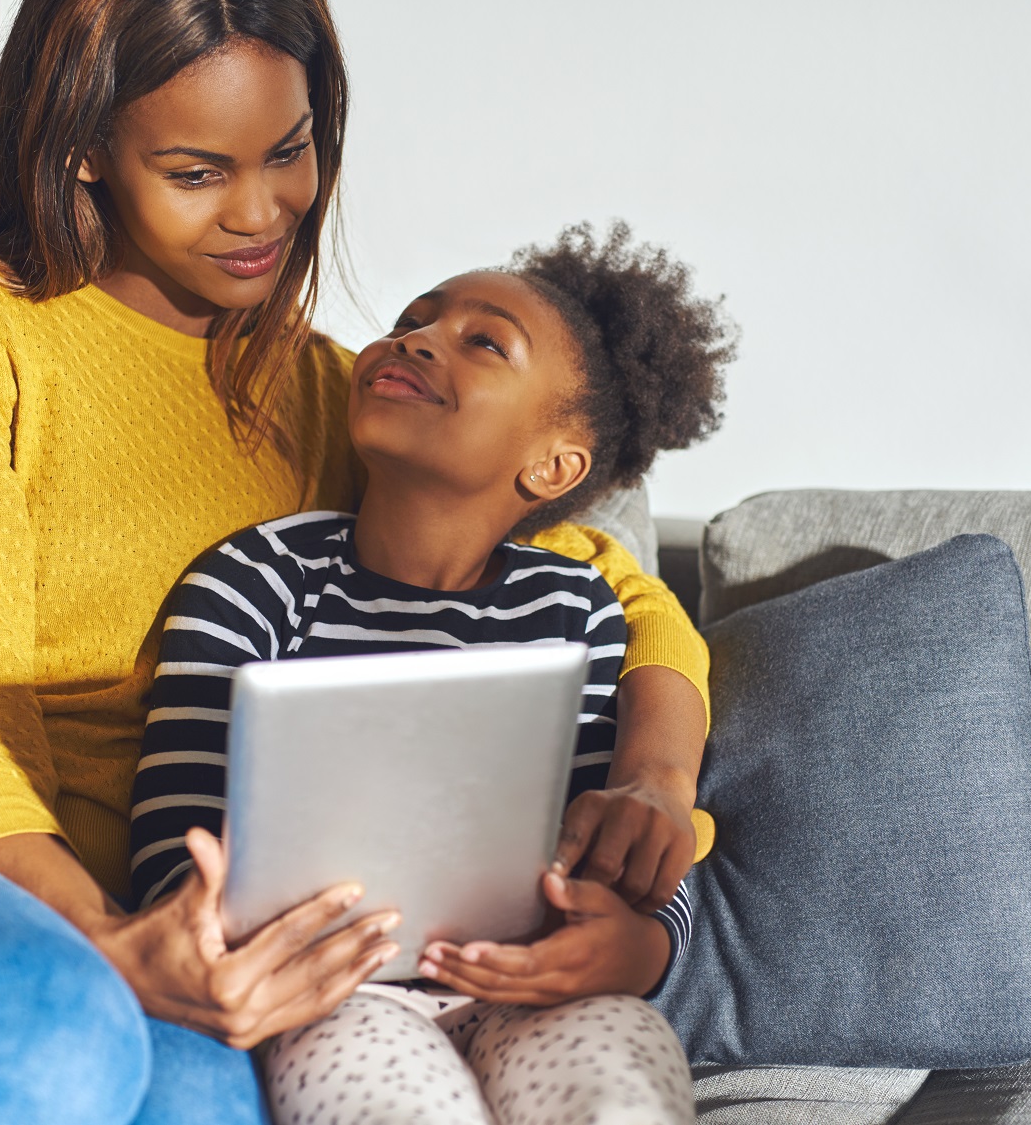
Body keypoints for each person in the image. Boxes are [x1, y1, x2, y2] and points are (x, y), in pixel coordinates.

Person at [0, 0, 712, 1124]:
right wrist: (107, 940)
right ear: (82, 152)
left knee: (211, 1108)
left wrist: (656, 782)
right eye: (195, 173)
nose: (261, 212)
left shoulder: (333, 393)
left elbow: (615, 587)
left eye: (289, 150)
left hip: (165, 914)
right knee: (52, 1039)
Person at [131, 221, 733, 1124]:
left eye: (482, 341)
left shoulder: (576, 604)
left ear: (554, 464)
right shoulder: (256, 579)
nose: (415, 337)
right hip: (338, 994)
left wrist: (637, 952)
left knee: (620, 1095)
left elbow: (631, 847)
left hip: (538, 987)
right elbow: (173, 850)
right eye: (413, 319)